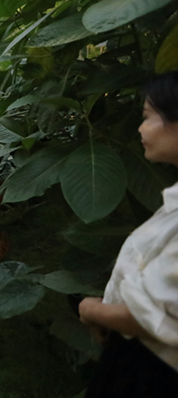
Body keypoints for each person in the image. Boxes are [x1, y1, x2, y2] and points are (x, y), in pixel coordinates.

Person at [78, 71, 178, 397]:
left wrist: (91, 310)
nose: (140, 128)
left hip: (149, 372)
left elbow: (149, 316)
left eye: (148, 117)